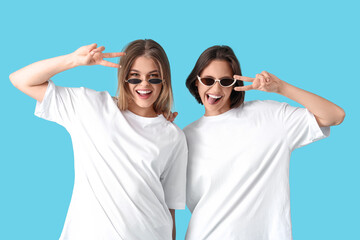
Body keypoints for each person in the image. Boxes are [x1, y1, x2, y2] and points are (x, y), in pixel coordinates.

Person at [9, 39, 187, 240]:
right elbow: (20, 80)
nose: (144, 84)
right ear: (124, 78)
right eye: (135, 77)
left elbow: (170, 208)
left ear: (164, 80)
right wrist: (73, 60)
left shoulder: (173, 136)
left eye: (153, 78)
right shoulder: (90, 107)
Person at [184, 45, 345, 240]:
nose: (216, 89)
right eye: (208, 80)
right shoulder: (183, 138)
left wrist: (281, 87)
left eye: (225, 81)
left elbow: (335, 116)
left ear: (235, 84)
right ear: (196, 83)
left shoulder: (270, 117)